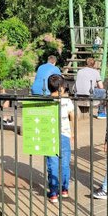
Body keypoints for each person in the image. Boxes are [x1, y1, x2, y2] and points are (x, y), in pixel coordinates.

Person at [46, 74, 74, 203]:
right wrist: (72, 132)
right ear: (62, 88)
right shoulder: (67, 101)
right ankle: (64, 189)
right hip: (64, 134)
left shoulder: (45, 101)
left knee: (52, 162)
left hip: (50, 133)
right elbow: (71, 115)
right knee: (65, 162)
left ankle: (53, 193)